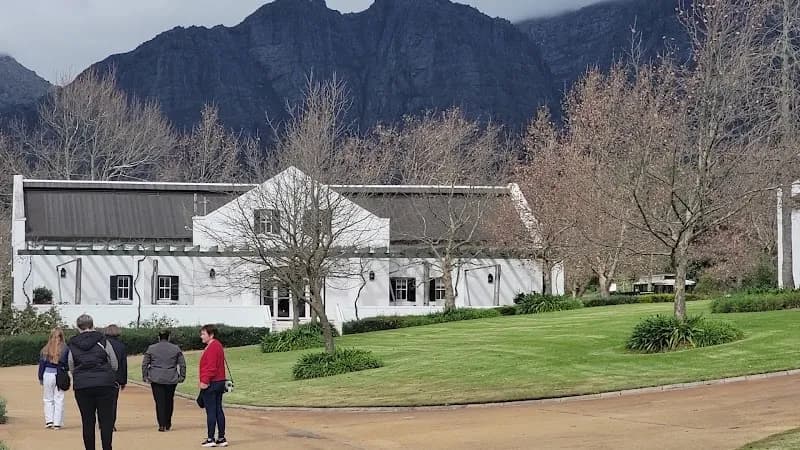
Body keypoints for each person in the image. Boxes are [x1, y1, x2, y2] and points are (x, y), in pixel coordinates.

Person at [62, 314, 118, 450]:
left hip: (82, 386)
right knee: (106, 420)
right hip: (105, 384)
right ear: (93, 325)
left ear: (78, 328)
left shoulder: (72, 344)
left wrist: (79, 376)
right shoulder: (103, 341)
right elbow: (114, 364)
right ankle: (107, 447)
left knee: (87, 421)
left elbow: (71, 364)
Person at [142, 329, 186, 432]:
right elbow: (182, 364)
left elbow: (145, 363)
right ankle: (168, 423)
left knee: (159, 402)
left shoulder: (151, 348)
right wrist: (182, 376)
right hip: (171, 378)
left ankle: (161, 424)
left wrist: (145, 376)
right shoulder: (175, 348)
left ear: (159, 337)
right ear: (169, 337)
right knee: (169, 401)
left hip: (156, 378)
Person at [199, 324, 228, 447]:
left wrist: (204, 381)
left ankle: (211, 438)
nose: (201, 336)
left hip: (212, 382)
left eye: (203, 334)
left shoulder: (212, 347)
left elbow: (211, 367)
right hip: (220, 381)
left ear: (211, 335)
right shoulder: (217, 345)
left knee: (211, 411)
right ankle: (221, 437)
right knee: (218, 410)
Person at [38, 327, 68, 430]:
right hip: (60, 375)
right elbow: (68, 364)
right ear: (61, 337)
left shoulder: (45, 349)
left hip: (47, 375)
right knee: (59, 399)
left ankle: (49, 421)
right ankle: (57, 423)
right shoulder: (65, 349)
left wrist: (40, 377)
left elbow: (41, 365)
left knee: (48, 399)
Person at [103, 325, 127, 432]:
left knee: (101, 401)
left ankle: (102, 422)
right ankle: (111, 424)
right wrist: (123, 381)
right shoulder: (121, 346)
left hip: (101, 376)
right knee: (113, 402)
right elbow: (123, 365)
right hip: (115, 378)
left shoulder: (101, 344)